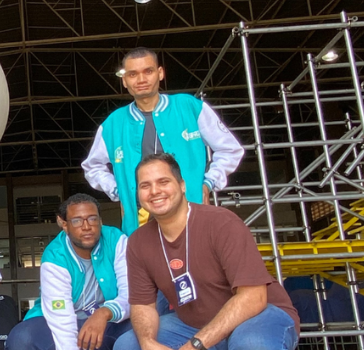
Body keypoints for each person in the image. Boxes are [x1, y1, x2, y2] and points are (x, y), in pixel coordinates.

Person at [112, 153, 302, 350]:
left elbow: (253, 297)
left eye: (163, 181)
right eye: (145, 185)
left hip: (260, 319)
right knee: (128, 349)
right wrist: (148, 344)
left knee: (250, 343)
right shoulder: (138, 242)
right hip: (195, 326)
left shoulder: (220, 222)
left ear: (182, 185)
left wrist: (199, 343)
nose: (155, 191)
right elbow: (143, 304)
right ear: (137, 194)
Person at [7, 193, 149, 350]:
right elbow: (63, 327)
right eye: (77, 220)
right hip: (63, 329)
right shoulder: (54, 258)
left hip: (108, 328)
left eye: (92, 218)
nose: (87, 226)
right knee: (21, 341)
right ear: (63, 224)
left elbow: (132, 294)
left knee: (148, 326)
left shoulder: (117, 241)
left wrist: (104, 313)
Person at [81, 47, 244, 235]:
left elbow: (230, 149)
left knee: (197, 261)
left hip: (190, 209)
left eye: (148, 71)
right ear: (124, 81)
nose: (141, 80)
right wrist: (120, 191)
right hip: (140, 219)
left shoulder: (189, 107)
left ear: (160, 73)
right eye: (133, 74)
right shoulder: (113, 123)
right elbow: (92, 166)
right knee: (147, 262)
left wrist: (209, 183)